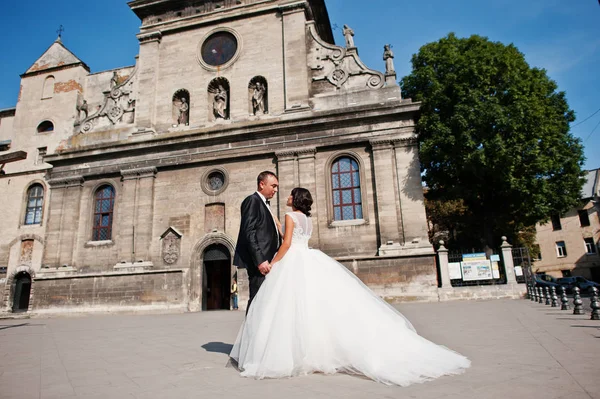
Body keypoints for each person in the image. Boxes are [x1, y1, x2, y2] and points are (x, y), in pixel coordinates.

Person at [230, 188, 470, 386]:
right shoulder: (307, 219)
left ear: (296, 200)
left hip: (293, 260)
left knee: (292, 307)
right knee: (313, 305)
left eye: (291, 194)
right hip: (309, 258)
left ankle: (295, 353)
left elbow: (288, 244)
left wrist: (273, 261)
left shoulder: (290, 216)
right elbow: (295, 238)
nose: (287, 196)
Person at [233, 171, 280, 313]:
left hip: (267, 260)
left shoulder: (265, 203)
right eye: (273, 186)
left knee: (264, 300)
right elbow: (249, 231)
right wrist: (260, 260)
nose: (276, 190)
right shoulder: (252, 200)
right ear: (261, 184)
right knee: (257, 300)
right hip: (260, 262)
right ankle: (250, 333)